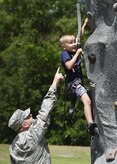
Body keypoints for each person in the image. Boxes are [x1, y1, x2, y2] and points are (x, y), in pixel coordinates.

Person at [8, 67, 64, 164]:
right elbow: (45, 110)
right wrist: (54, 83)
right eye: (27, 116)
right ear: (24, 124)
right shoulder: (34, 134)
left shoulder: (13, 147)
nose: (31, 114)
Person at [59, 19, 98, 136]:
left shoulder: (72, 49)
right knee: (87, 101)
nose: (74, 44)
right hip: (74, 84)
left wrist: (84, 25)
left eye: (74, 42)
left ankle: (91, 121)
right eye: (71, 43)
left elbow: (78, 37)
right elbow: (69, 66)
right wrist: (77, 54)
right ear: (64, 46)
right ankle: (90, 124)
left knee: (91, 101)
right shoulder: (65, 54)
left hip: (80, 83)